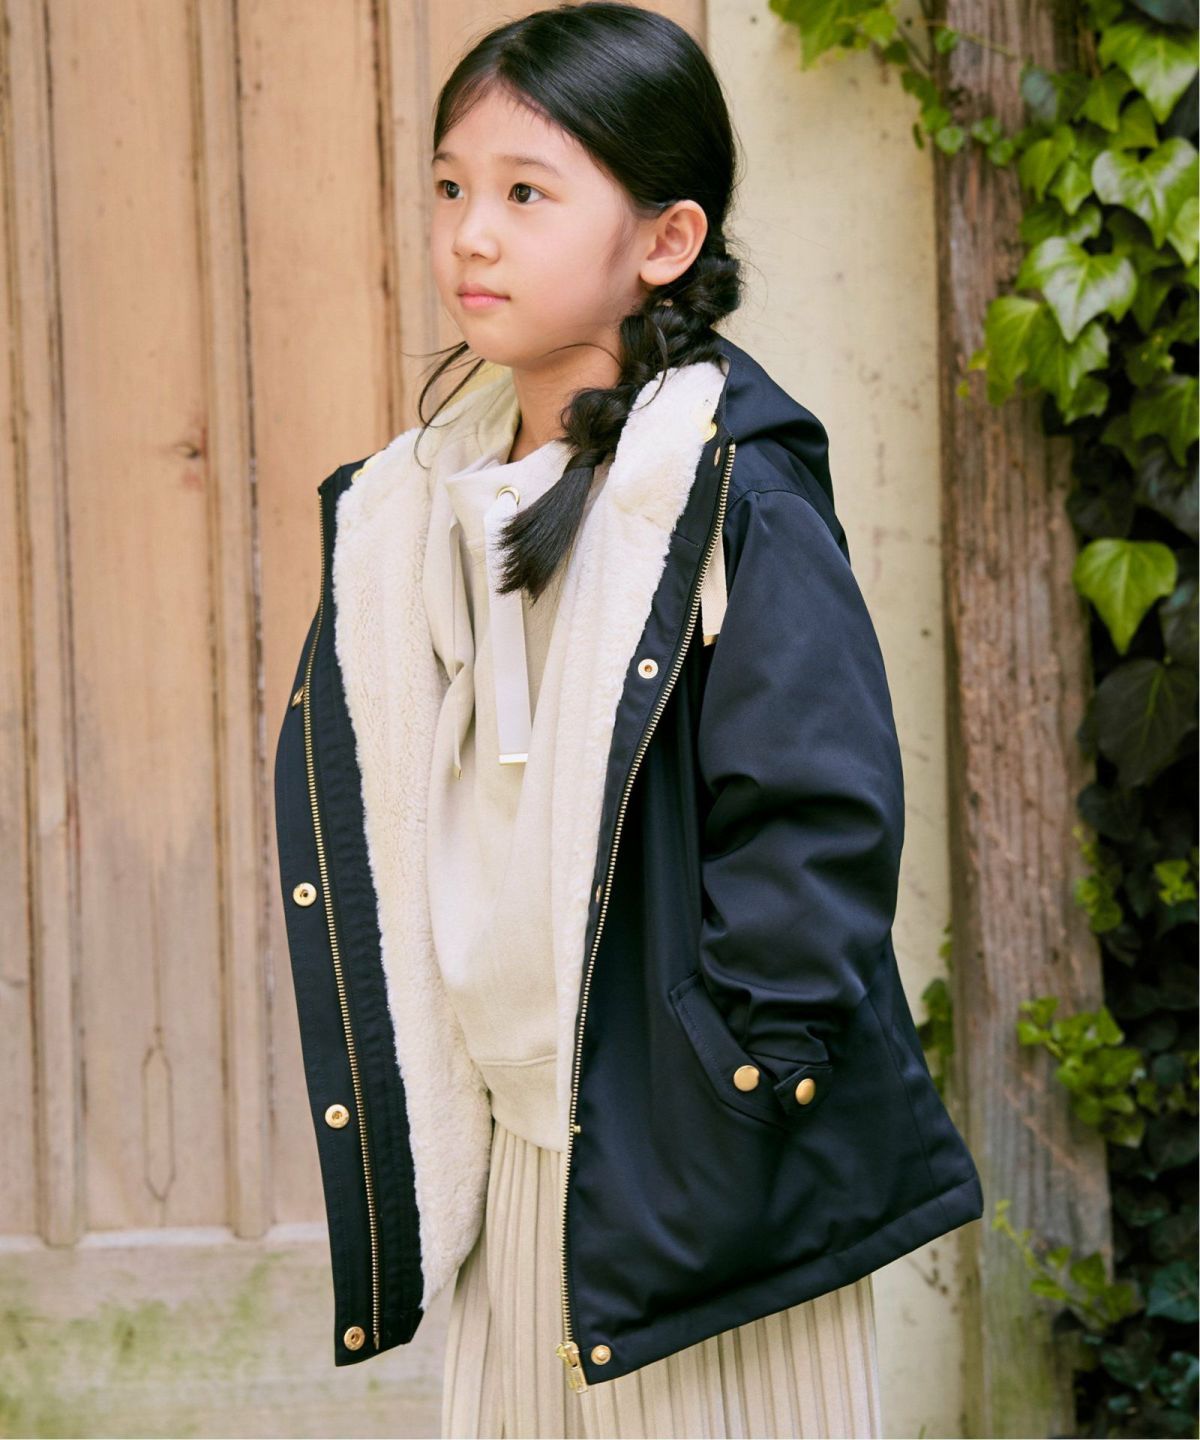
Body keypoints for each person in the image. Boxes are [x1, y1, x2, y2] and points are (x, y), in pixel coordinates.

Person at [272, 4, 984, 1438]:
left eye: (527, 193)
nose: (471, 234)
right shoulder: (427, 502)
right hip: (519, 1151)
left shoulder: (728, 491)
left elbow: (819, 814)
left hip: (690, 1151)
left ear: (665, 239)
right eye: (451, 186)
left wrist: (738, 1082)